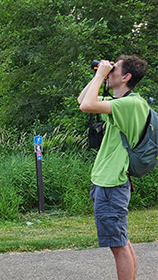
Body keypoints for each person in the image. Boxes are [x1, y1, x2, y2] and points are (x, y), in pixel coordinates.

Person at [78, 55, 148, 280]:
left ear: (126, 77)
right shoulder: (121, 104)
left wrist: (100, 75)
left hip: (112, 183)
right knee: (121, 240)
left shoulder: (131, 103)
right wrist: (99, 74)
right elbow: (83, 100)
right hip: (108, 181)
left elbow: (87, 106)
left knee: (118, 245)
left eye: (114, 70)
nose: (109, 72)